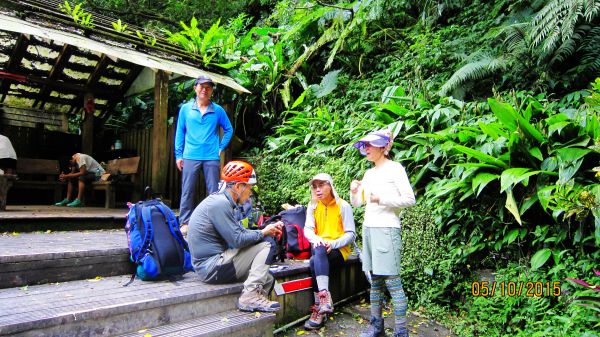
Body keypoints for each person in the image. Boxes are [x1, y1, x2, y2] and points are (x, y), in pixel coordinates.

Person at [187, 160, 283, 312]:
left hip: (215, 264)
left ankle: (255, 300)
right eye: (249, 188)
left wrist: (265, 229)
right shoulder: (219, 204)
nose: (250, 193)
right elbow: (237, 240)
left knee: (268, 278)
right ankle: (250, 296)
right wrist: (264, 232)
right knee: (268, 244)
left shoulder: (222, 201)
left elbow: (240, 234)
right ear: (238, 186)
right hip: (211, 268)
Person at [350, 129, 416, 337]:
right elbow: (358, 203)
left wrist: (383, 199)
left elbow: (409, 199)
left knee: (393, 282)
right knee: (375, 282)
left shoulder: (395, 169)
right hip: (369, 229)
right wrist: (353, 192)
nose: (366, 148)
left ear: (383, 147)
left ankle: (401, 331)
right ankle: (376, 327)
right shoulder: (369, 173)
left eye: (371, 145)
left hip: (387, 229)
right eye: (365, 145)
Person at [175, 76, 234, 236]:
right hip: (190, 155)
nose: (204, 89)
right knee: (187, 190)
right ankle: (185, 223)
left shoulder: (218, 110)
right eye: (202, 86)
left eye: (208, 87)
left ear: (211, 91)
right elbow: (180, 131)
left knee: (214, 192)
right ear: (195, 88)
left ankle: (212, 223)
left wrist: (221, 147)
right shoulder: (186, 109)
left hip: (211, 157)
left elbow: (229, 129)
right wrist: (178, 155)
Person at [303, 173, 356, 330]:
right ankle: (324, 300)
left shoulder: (343, 206)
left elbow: (351, 234)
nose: (317, 190)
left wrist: (333, 243)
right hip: (320, 250)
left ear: (330, 186)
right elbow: (308, 229)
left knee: (314, 259)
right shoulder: (312, 206)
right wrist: (316, 239)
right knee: (318, 250)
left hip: (339, 250)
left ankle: (319, 307)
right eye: (315, 187)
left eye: (321, 186)